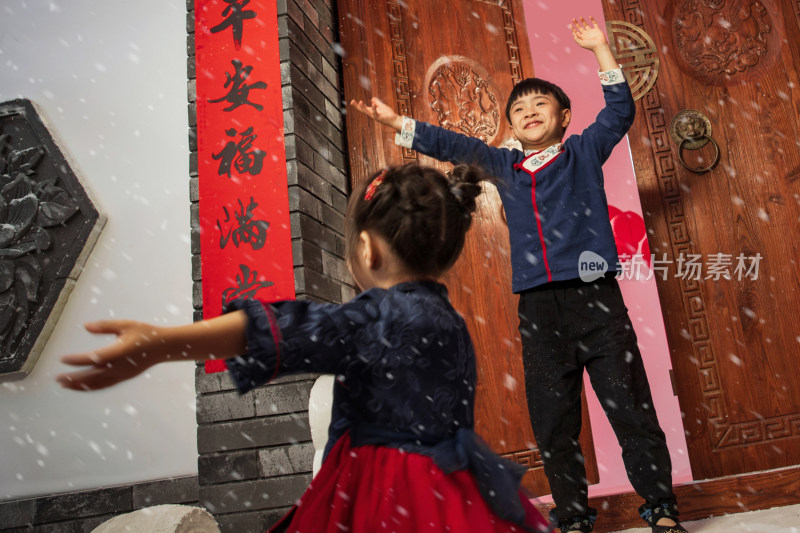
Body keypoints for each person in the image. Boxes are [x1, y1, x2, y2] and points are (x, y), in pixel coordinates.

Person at [57, 163, 550, 533]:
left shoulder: (379, 315)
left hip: (385, 492)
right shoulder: (450, 321)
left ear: (366, 250)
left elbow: (286, 328)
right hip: (453, 484)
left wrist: (161, 343)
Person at [349, 16, 688, 533]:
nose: (528, 113)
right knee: (553, 422)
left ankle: (661, 509)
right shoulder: (506, 167)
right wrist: (400, 125)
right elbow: (456, 147)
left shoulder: (582, 152)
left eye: (540, 105)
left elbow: (620, 112)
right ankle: (574, 517)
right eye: (519, 109)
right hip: (538, 309)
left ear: (564, 117)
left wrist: (599, 49)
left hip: (596, 300)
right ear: (511, 125)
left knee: (630, 408)